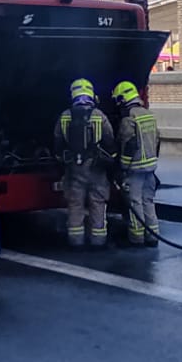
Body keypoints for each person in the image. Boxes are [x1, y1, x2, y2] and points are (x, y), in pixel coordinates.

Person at [54, 79, 114, 247]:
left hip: (74, 169)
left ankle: (76, 241)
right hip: (96, 169)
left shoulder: (65, 116)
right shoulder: (99, 115)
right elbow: (109, 140)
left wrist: (63, 163)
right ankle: (98, 240)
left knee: (75, 205)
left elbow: (58, 143)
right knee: (98, 203)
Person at [112, 81, 161, 248]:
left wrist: (123, 169)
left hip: (135, 169)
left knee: (135, 203)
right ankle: (153, 236)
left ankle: (136, 237)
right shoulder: (149, 115)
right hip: (150, 167)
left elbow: (129, 145)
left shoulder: (129, 119)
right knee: (148, 201)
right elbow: (157, 141)